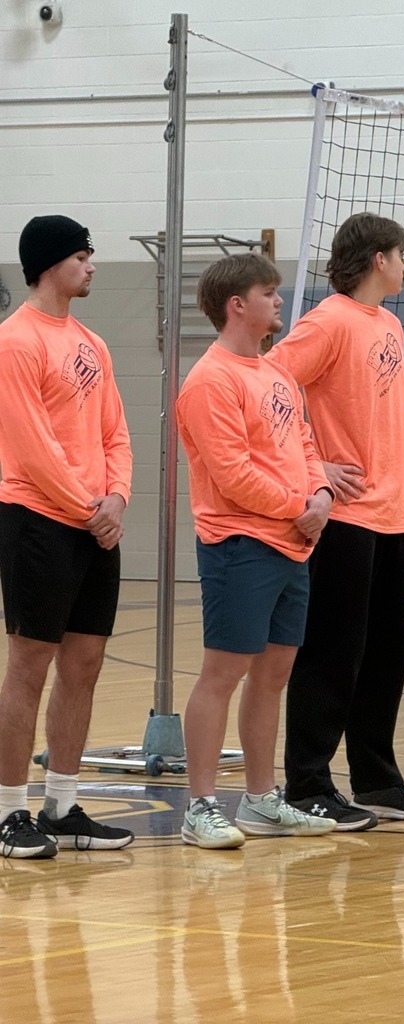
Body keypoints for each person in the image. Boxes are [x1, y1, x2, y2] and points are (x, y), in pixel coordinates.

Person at [268, 212, 404, 831]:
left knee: (388, 651)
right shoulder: (329, 321)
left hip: (394, 513)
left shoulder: (387, 323)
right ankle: (308, 783)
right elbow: (268, 386)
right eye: (400, 254)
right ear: (378, 259)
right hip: (344, 516)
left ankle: (376, 777)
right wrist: (314, 465)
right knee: (332, 653)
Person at [176, 252, 338, 849]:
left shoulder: (278, 375)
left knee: (273, 674)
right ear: (236, 305)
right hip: (239, 543)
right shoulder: (209, 380)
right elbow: (230, 473)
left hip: (293, 543)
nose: (279, 301)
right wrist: (298, 509)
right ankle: (198, 807)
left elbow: (304, 442)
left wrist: (319, 492)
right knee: (223, 672)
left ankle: (261, 800)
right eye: (268, 293)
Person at [0, 215, 134, 858]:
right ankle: (9, 810)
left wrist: (116, 498)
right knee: (28, 667)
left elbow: (116, 434)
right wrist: (89, 506)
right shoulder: (16, 340)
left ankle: (61, 805)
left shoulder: (93, 344)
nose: (91, 264)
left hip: (92, 525)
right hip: (38, 521)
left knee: (84, 665)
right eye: (83, 253)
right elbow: (31, 446)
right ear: (51, 263)